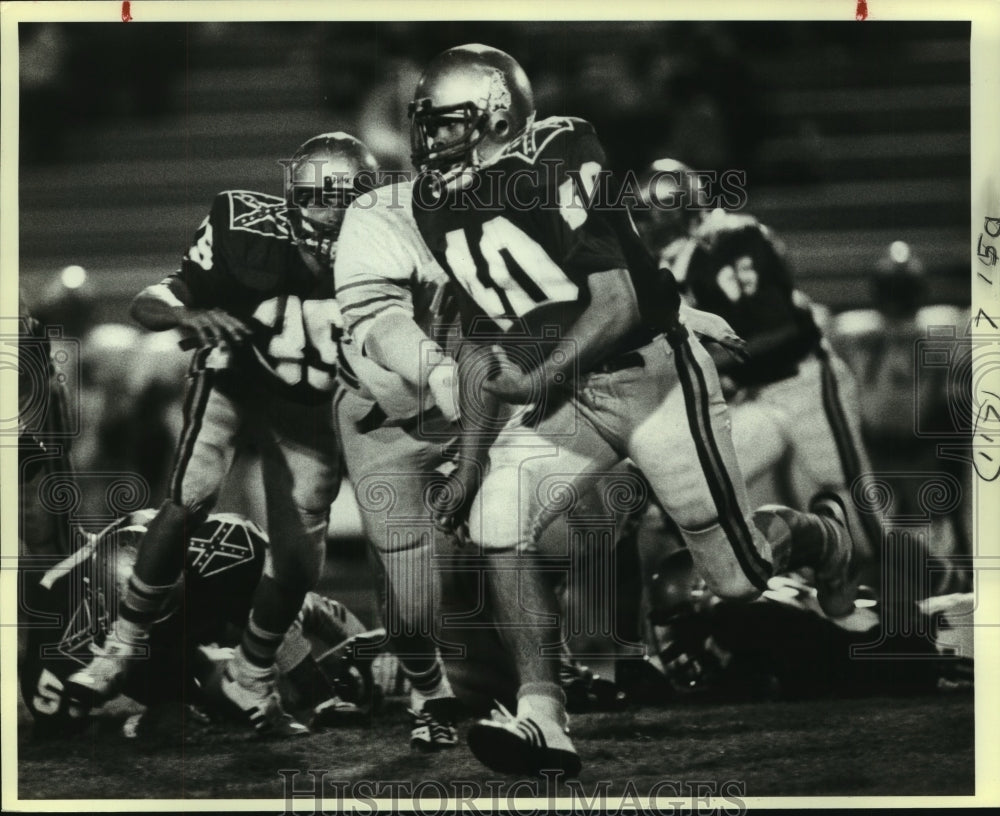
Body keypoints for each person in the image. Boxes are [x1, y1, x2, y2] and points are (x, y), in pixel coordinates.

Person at [408, 43, 862, 777]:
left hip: (653, 378)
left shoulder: (559, 149)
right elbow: (489, 340)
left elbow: (617, 305)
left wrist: (537, 379)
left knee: (737, 581)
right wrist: (470, 459)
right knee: (496, 520)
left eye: (448, 123)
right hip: (571, 392)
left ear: (496, 117)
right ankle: (543, 716)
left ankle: (824, 537)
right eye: (428, 124)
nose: (433, 141)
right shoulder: (435, 202)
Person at [67, 132, 378, 736]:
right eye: (322, 195)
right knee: (191, 495)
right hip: (234, 375)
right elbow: (151, 299)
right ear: (295, 196)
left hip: (307, 404)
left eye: (349, 196)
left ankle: (251, 674)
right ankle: (120, 646)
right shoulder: (244, 226)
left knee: (299, 562)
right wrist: (187, 314)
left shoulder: (386, 249)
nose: (334, 211)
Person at [21, 510, 381, 740]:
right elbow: (54, 726)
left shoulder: (210, 549)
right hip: (149, 660)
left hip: (193, 602)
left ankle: (328, 623)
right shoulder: (60, 623)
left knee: (284, 608)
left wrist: (318, 693)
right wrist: (136, 724)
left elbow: (270, 593)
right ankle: (362, 667)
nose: (147, 622)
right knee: (237, 703)